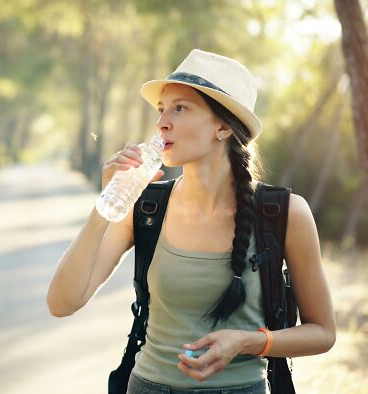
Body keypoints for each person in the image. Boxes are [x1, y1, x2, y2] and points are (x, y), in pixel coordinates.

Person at [46, 49, 336, 394]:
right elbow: (62, 303)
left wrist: (247, 341)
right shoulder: (146, 207)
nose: (162, 122)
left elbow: (323, 332)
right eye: (161, 110)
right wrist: (107, 202)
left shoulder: (284, 213)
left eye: (180, 108)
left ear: (224, 126)